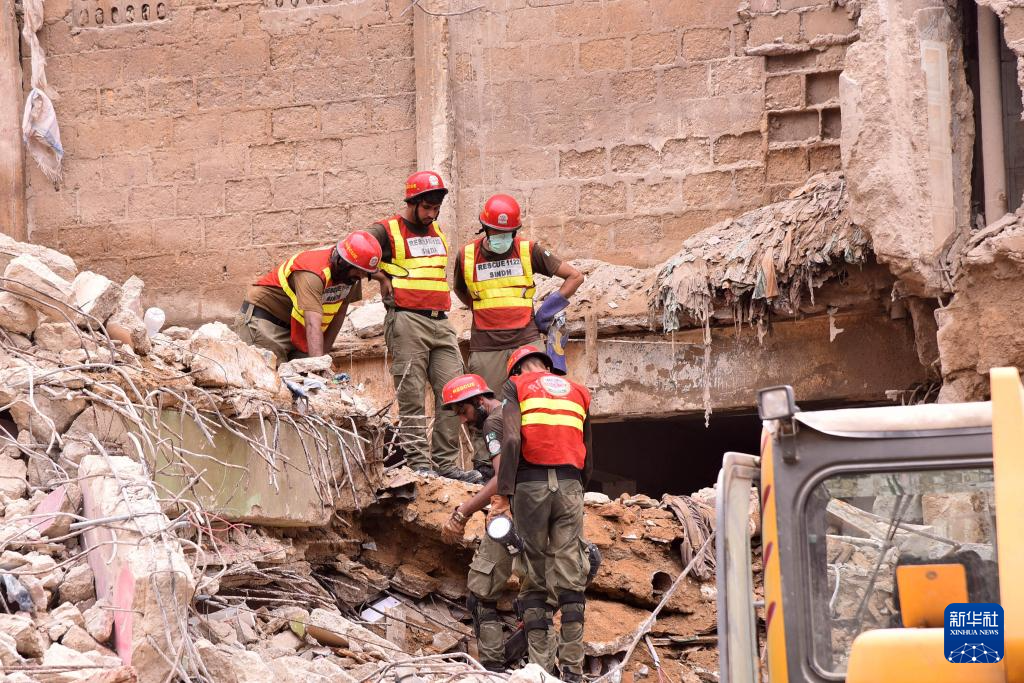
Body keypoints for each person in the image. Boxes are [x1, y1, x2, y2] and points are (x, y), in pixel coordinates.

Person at [453, 193, 584, 476]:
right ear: (485, 229)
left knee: (534, 403)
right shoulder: (466, 255)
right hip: (486, 346)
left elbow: (575, 276)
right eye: (496, 232)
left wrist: (547, 310)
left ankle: (533, 462)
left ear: (515, 231)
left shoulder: (528, 250)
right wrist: (484, 310)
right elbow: (462, 292)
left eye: (507, 232)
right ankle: (486, 469)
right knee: (482, 409)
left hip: (525, 343)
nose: (502, 237)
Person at [363, 171, 480, 484]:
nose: (431, 214)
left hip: (441, 321)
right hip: (407, 320)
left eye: (436, 208)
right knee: (412, 394)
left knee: (454, 393)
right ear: (412, 202)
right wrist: (381, 278)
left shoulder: (436, 231)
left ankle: (446, 464)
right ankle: (419, 463)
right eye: (426, 207)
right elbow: (354, 251)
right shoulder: (386, 230)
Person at [491, 345, 592, 681]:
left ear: (516, 371)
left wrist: (503, 496)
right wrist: (578, 488)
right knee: (571, 574)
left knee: (533, 577)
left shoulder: (516, 387)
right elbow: (587, 450)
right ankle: (574, 671)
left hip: (531, 485)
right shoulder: (579, 392)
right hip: (570, 485)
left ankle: (543, 671)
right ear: (547, 366)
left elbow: (510, 441)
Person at [438, 373, 510, 672]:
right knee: (538, 597)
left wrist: (462, 511)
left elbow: (502, 477)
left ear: (480, 401)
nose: (464, 421)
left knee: (481, 595)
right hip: (547, 509)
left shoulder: (494, 422)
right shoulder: (517, 412)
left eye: (464, 412)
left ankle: (492, 670)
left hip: (512, 516)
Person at [235, 231, 381, 363]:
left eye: (365, 273)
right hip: (264, 322)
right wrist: (318, 366)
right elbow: (312, 323)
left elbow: (340, 312)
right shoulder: (312, 273)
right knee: (270, 383)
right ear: (343, 262)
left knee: (304, 385)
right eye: (358, 272)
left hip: (295, 329)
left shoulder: (351, 278)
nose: (360, 277)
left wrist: (323, 356)